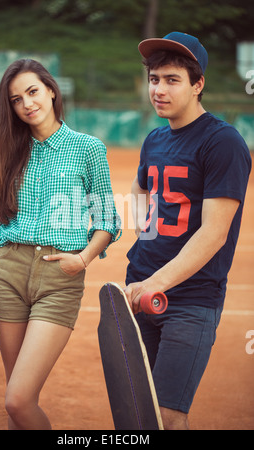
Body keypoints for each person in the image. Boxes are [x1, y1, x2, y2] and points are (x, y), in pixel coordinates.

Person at [0, 59, 121, 430]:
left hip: (59, 278)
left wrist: (82, 259)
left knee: (18, 399)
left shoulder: (87, 149)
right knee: (16, 404)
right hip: (8, 275)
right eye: (16, 100)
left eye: (33, 92)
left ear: (51, 90)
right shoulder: (3, 152)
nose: (27, 104)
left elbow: (108, 221)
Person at [124, 32, 252, 430]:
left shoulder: (223, 142)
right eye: (154, 79)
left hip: (190, 301)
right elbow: (140, 190)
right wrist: (142, 241)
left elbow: (214, 234)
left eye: (172, 80)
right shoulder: (155, 139)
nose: (159, 89)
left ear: (198, 85)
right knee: (138, 411)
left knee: (167, 416)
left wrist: (155, 282)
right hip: (142, 288)